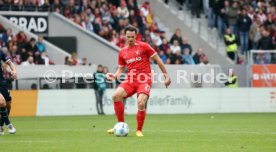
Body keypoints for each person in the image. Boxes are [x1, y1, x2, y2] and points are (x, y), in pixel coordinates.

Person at [106, 25, 171, 137]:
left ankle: (139, 130)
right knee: (115, 96)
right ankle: (120, 124)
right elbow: (121, 68)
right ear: (124, 36)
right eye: (128, 37)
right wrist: (115, 76)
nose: (130, 39)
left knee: (141, 102)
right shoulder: (122, 52)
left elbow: (158, 60)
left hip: (144, 79)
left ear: (136, 36)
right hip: (131, 80)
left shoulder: (144, 46)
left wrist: (166, 76)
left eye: (132, 36)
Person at [0, 49, 17, 136]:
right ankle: (9, 125)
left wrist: (14, 70)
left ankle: (0, 126)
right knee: (2, 102)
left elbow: (10, 63)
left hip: (1, 82)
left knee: (8, 104)